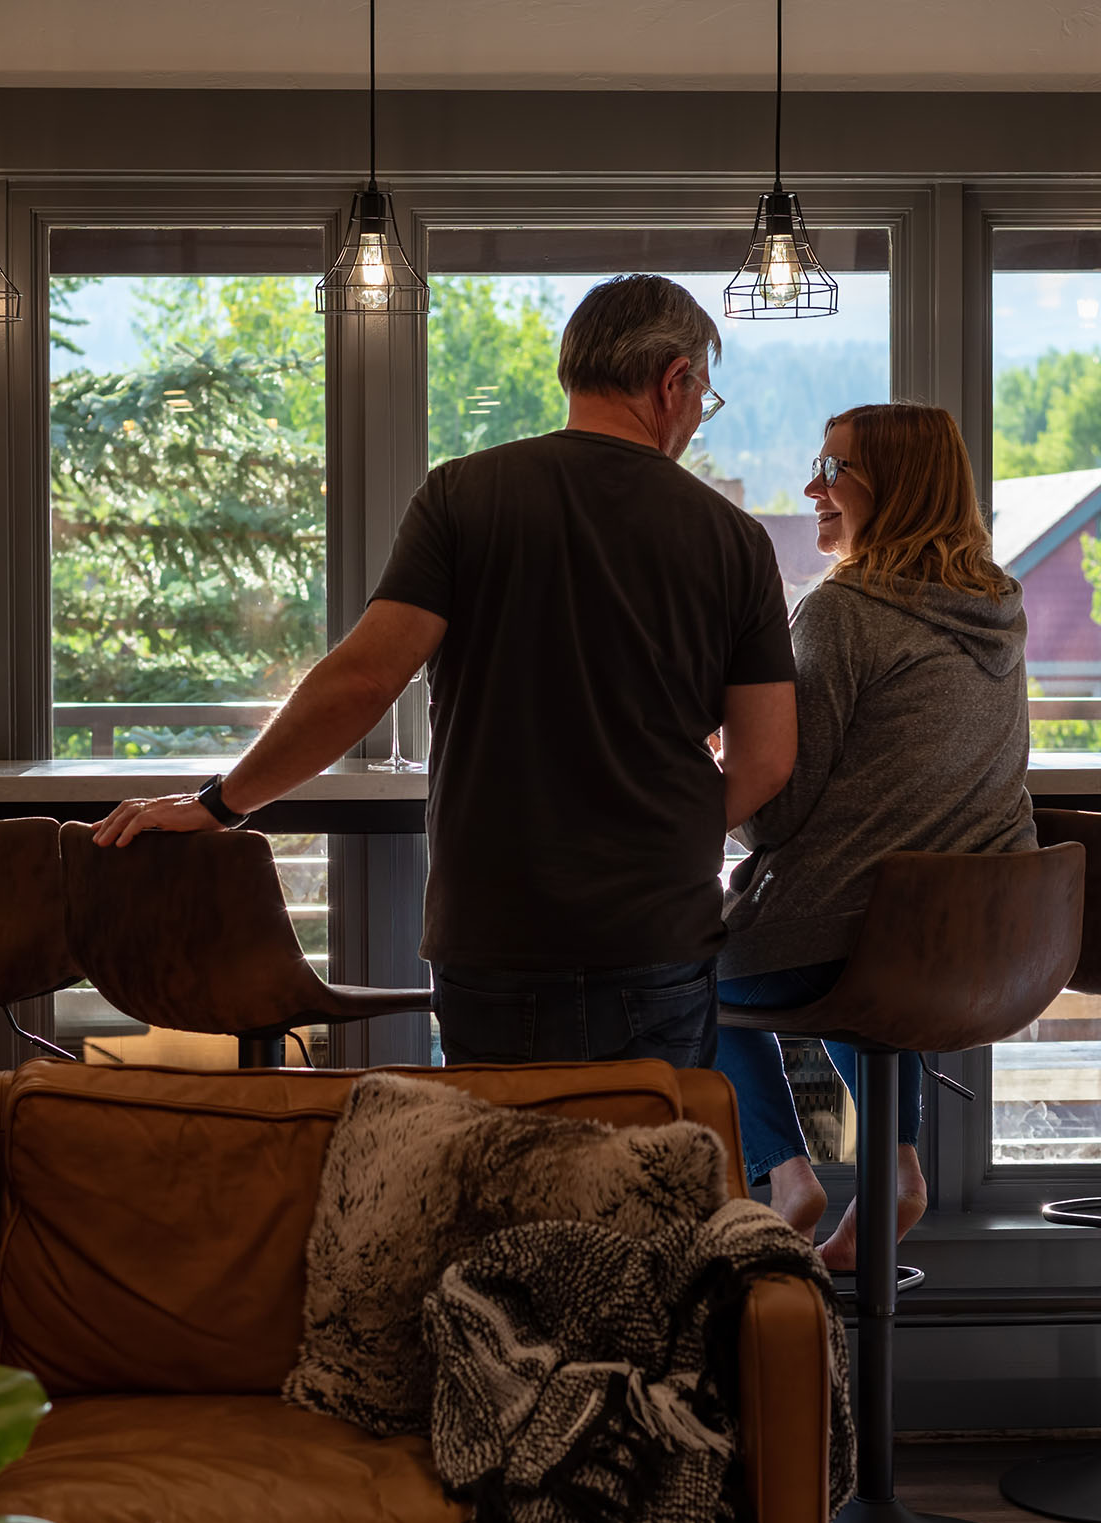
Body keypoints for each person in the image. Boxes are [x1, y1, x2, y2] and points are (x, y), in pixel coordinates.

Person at [93, 274, 798, 1071]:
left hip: (494, 933)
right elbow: (767, 759)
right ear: (675, 380)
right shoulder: (735, 541)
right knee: (645, 1183)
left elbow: (361, 681)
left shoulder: (464, 497)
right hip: (656, 935)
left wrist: (221, 805)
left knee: (493, 1179)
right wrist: (660, 835)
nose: (699, 414)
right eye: (704, 394)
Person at [715, 402, 1036, 1270]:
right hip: (983, 947)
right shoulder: (999, 609)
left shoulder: (840, 614)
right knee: (868, 928)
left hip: (849, 945)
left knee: (679, 967)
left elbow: (772, 814)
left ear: (894, 489)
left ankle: (786, 1177)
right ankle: (895, 1165)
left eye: (835, 471)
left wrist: (721, 754)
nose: (814, 488)